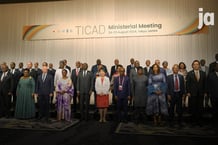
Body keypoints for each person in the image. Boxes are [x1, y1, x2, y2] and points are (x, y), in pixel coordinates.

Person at [186, 60, 207, 126]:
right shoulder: (189, 73)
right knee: (193, 107)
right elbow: (187, 84)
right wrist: (188, 92)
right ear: (192, 66)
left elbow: (205, 84)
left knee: (200, 108)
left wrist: (205, 92)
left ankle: (199, 121)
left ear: (199, 65)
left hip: (201, 93)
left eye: (197, 64)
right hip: (192, 93)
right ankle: (193, 122)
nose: (196, 65)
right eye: (194, 64)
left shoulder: (203, 73)